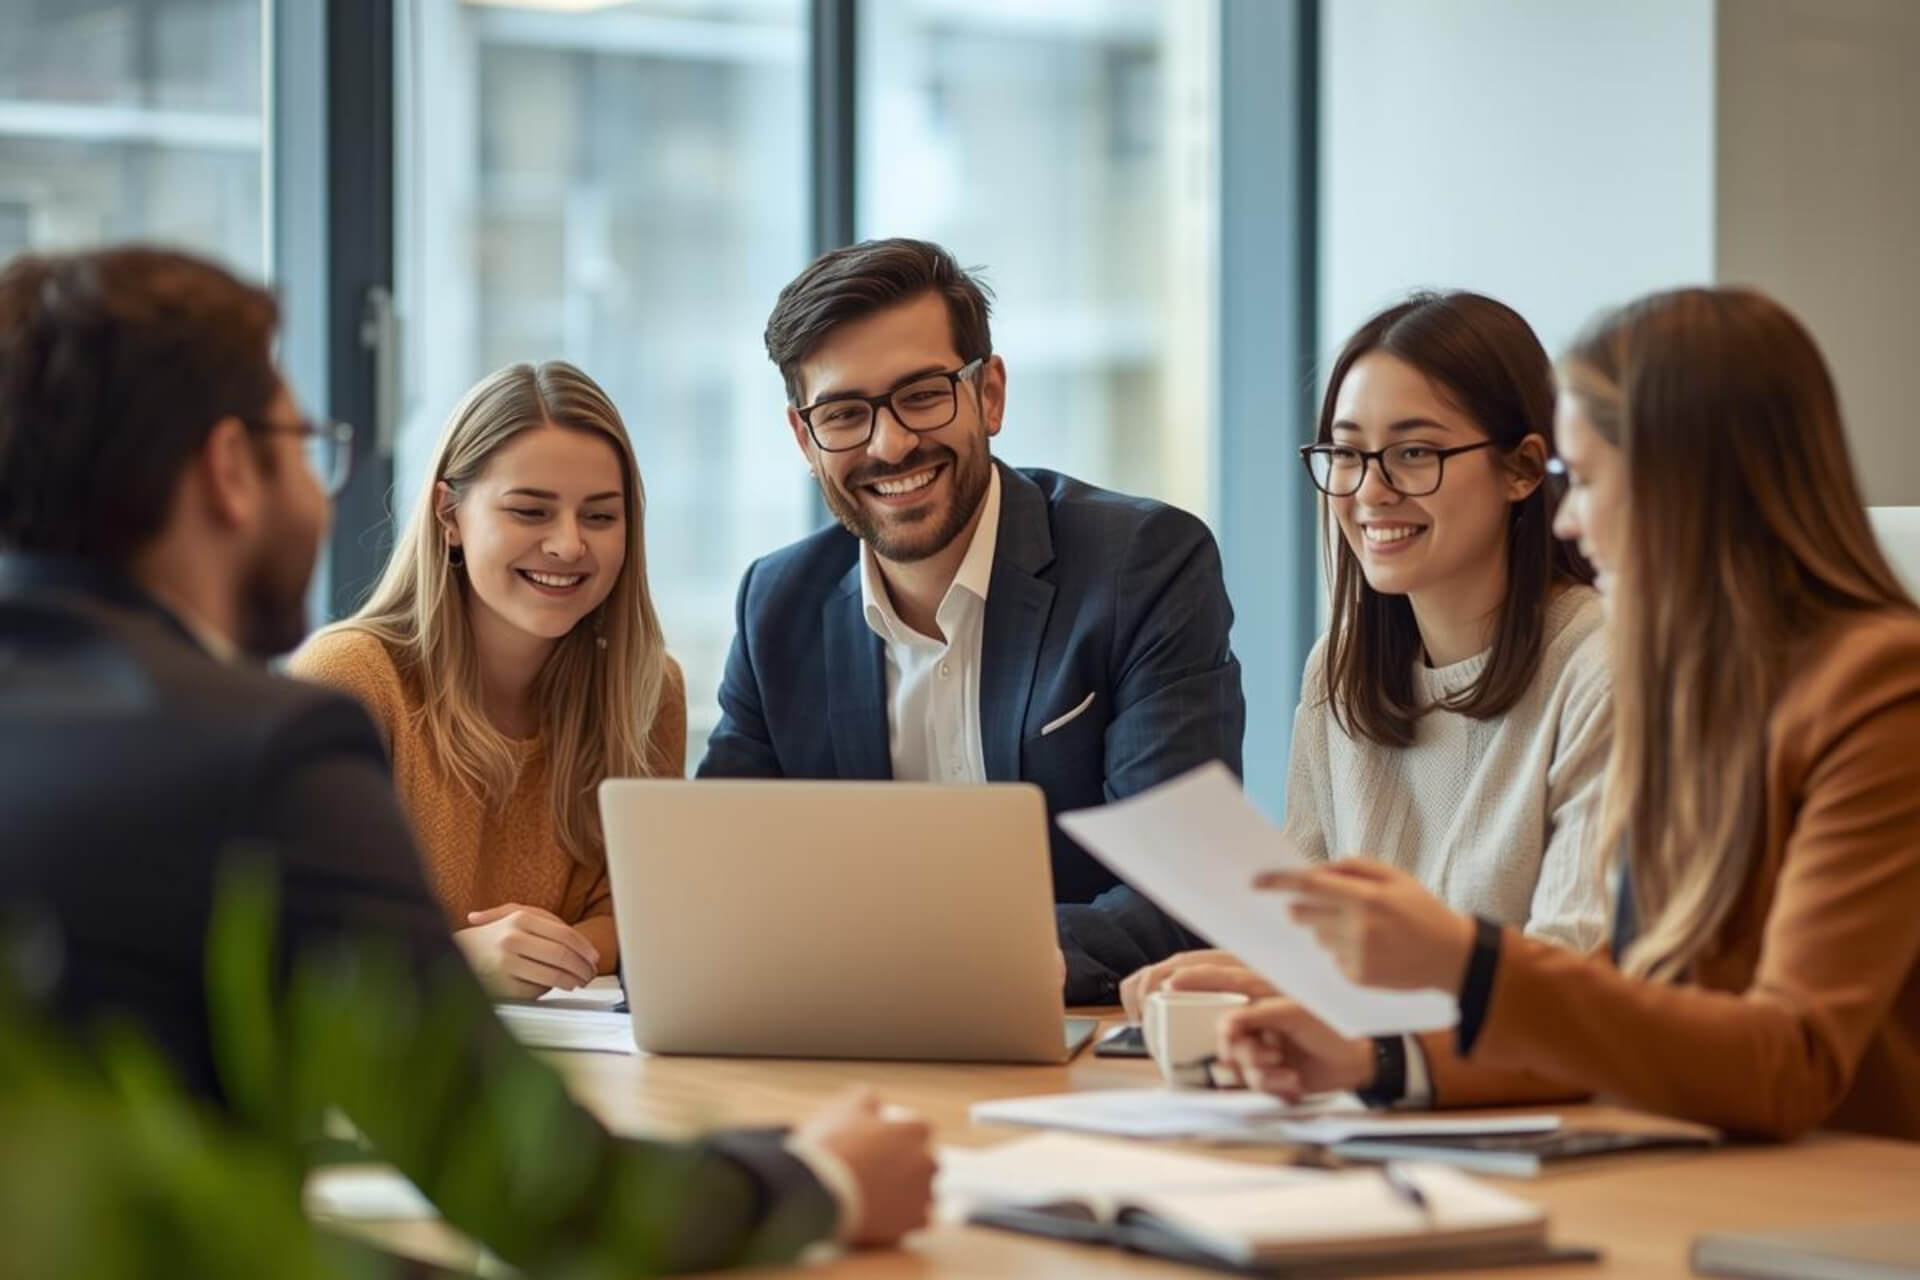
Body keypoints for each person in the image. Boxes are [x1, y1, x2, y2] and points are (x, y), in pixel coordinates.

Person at [0, 246, 935, 1270]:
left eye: (598, 513)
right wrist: (821, 1175)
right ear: (232, 469)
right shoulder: (263, 743)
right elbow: (544, 1192)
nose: (321, 485)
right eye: (306, 444)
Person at [1195, 287, 1920, 1141]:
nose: (1569, 516)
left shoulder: (1877, 688)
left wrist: (1466, 964)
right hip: (1684, 1163)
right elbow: (1628, 1022)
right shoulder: (1694, 687)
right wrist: (1380, 1060)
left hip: (1832, 1199)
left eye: (1592, 480)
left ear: (1695, 486)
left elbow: (1786, 1060)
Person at [695, 237, 1246, 1004]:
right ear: (803, 438)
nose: (891, 444)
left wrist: (938, 967)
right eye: (844, 414)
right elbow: (714, 884)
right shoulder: (775, 605)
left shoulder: (1143, 566)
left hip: (1070, 1047)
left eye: (923, 394)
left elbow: (1186, 885)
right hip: (841, 1050)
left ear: (989, 393)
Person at [1120, 294, 1612, 1075]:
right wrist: (1254, 981)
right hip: (1360, 1104)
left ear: (1521, 468)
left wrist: (1331, 1002)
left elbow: (1579, 977)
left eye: (1415, 453)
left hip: (1520, 1110)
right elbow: (1301, 937)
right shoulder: (1340, 671)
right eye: (1346, 455)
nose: (1369, 490)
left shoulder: (1601, 666)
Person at [294, 362, 677, 997]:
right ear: (449, 515)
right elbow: (292, 938)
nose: (567, 545)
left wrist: (550, 951)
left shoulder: (647, 689)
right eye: (530, 510)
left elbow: (646, 912)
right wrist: (451, 962)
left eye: (601, 517)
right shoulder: (350, 679)